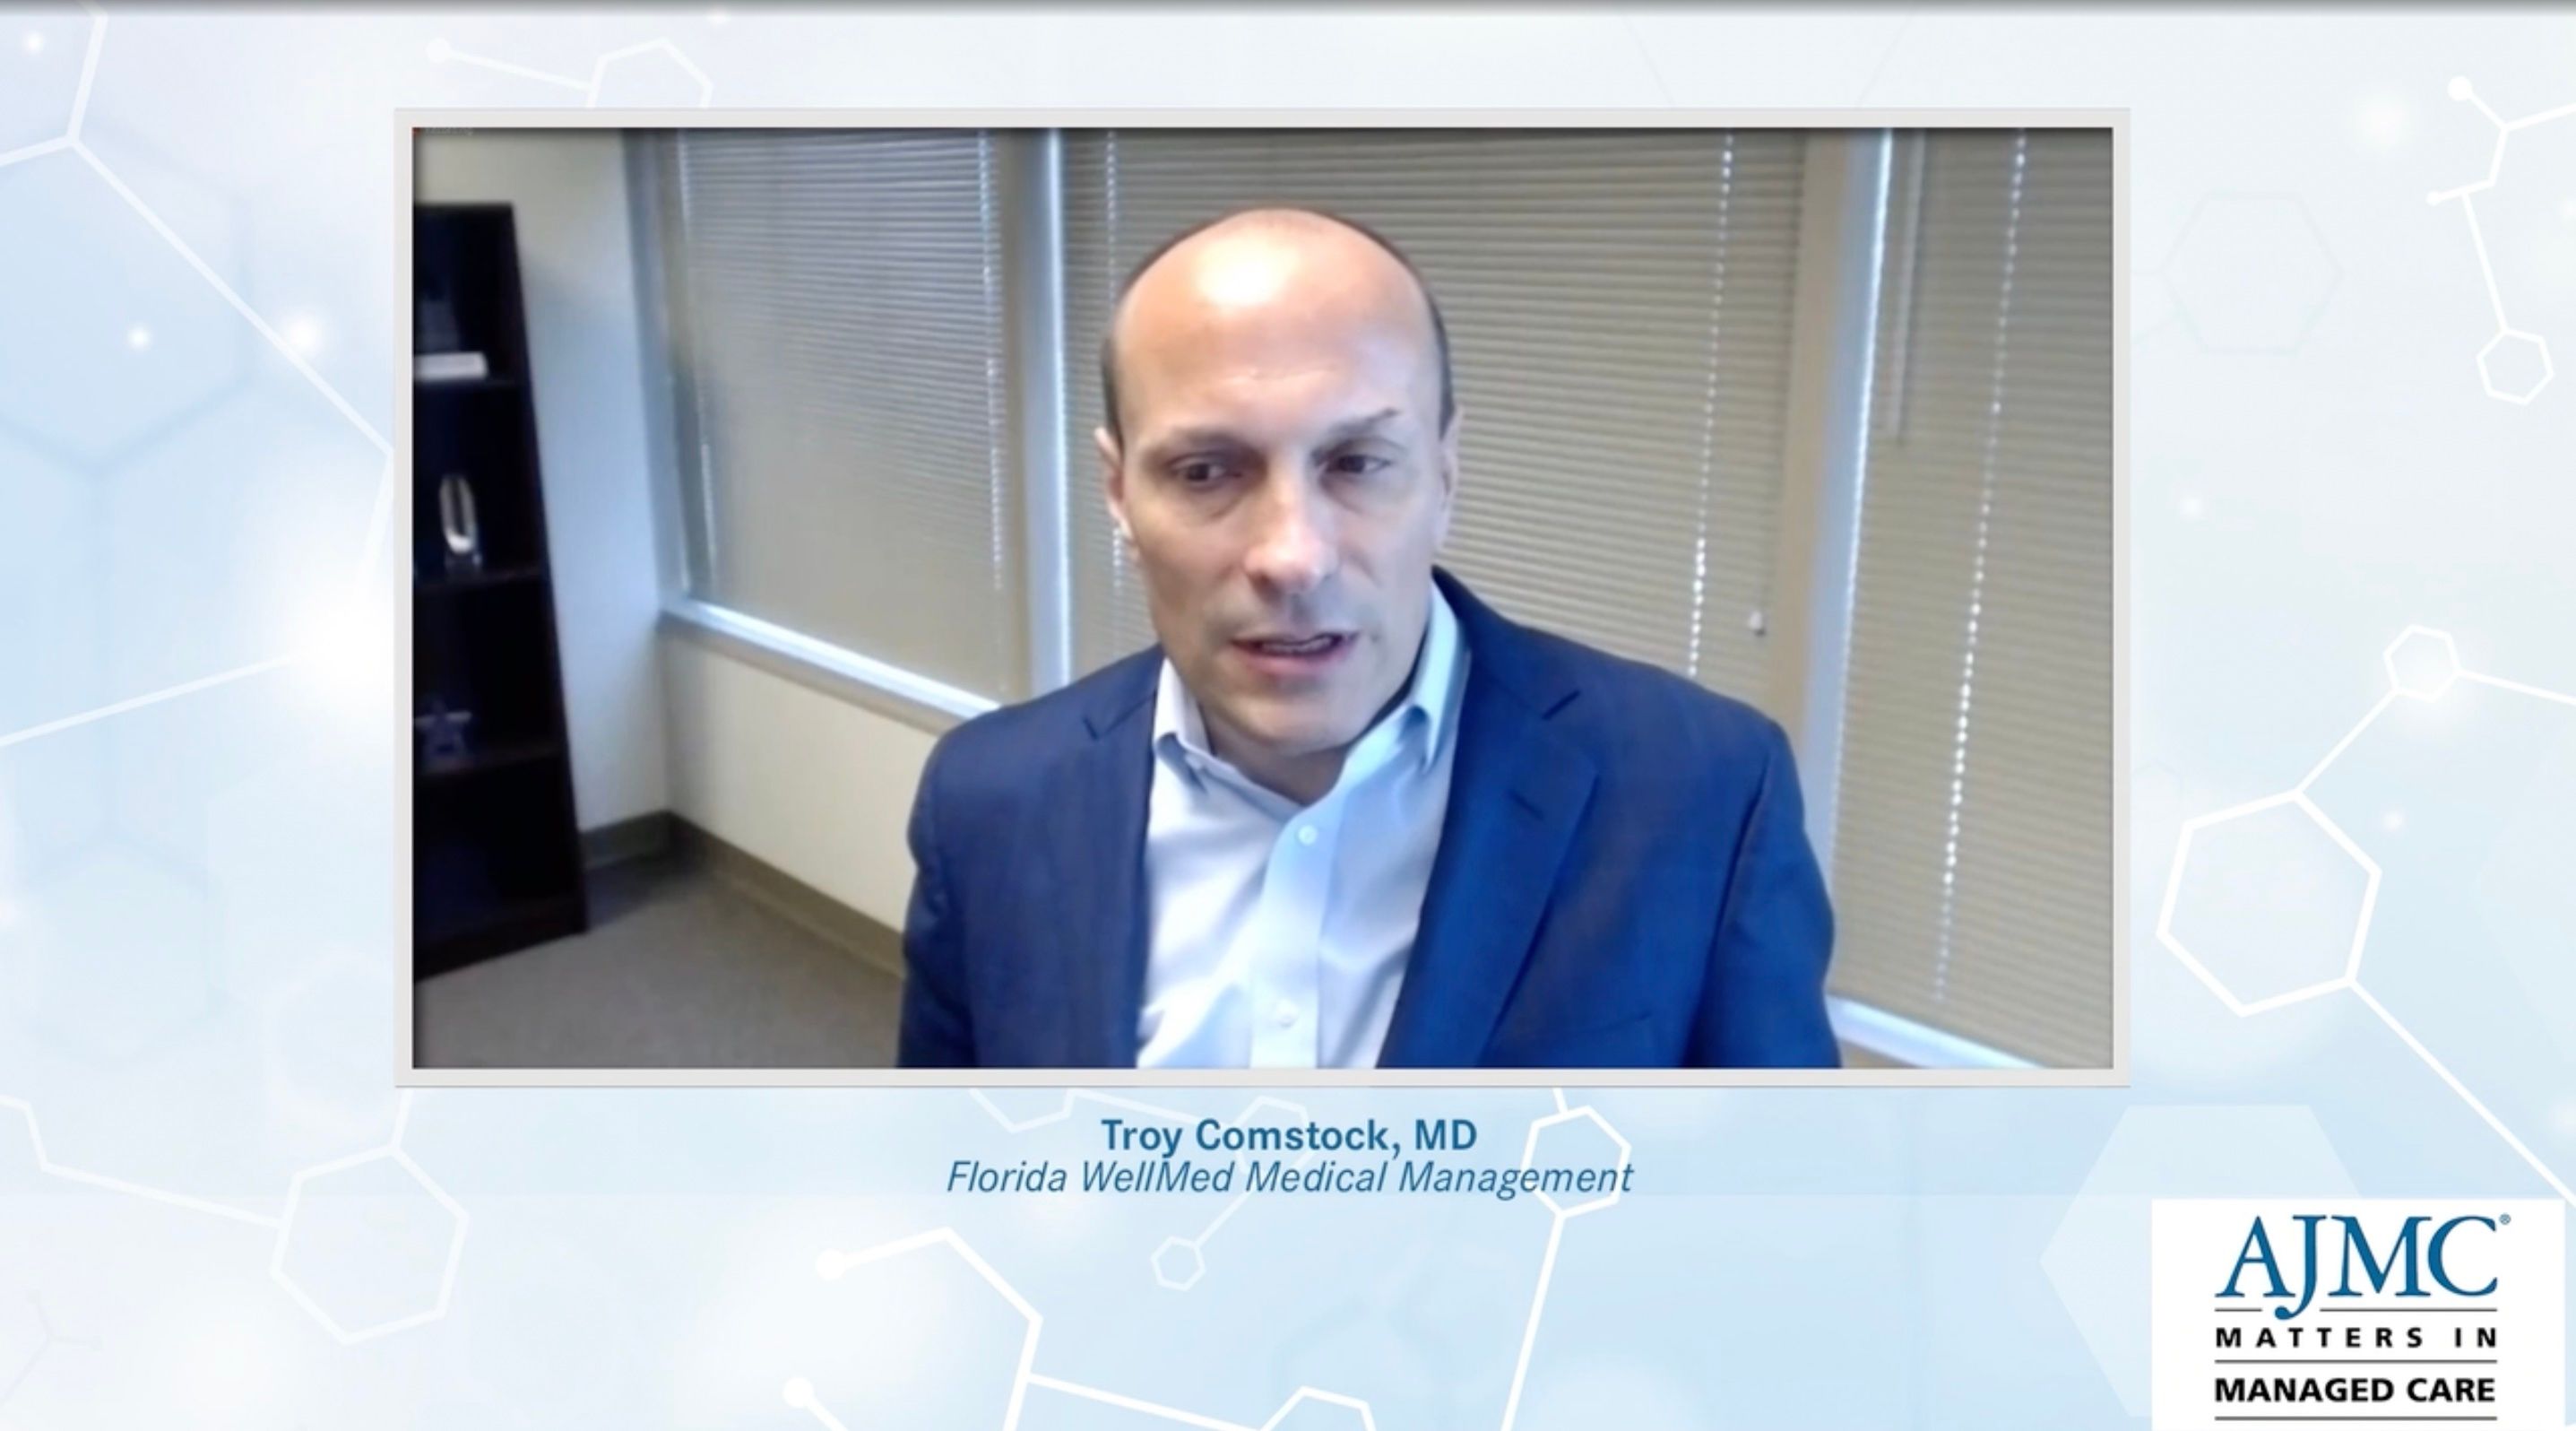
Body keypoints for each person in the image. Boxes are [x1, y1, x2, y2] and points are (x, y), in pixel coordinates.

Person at [897, 207, 1837, 1070]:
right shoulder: (988, 802)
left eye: (1356, 463)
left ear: (1445, 473)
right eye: (1205, 471)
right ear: (1118, 494)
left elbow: (1782, 1189)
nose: (1292, 557)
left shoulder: (1705, 793)